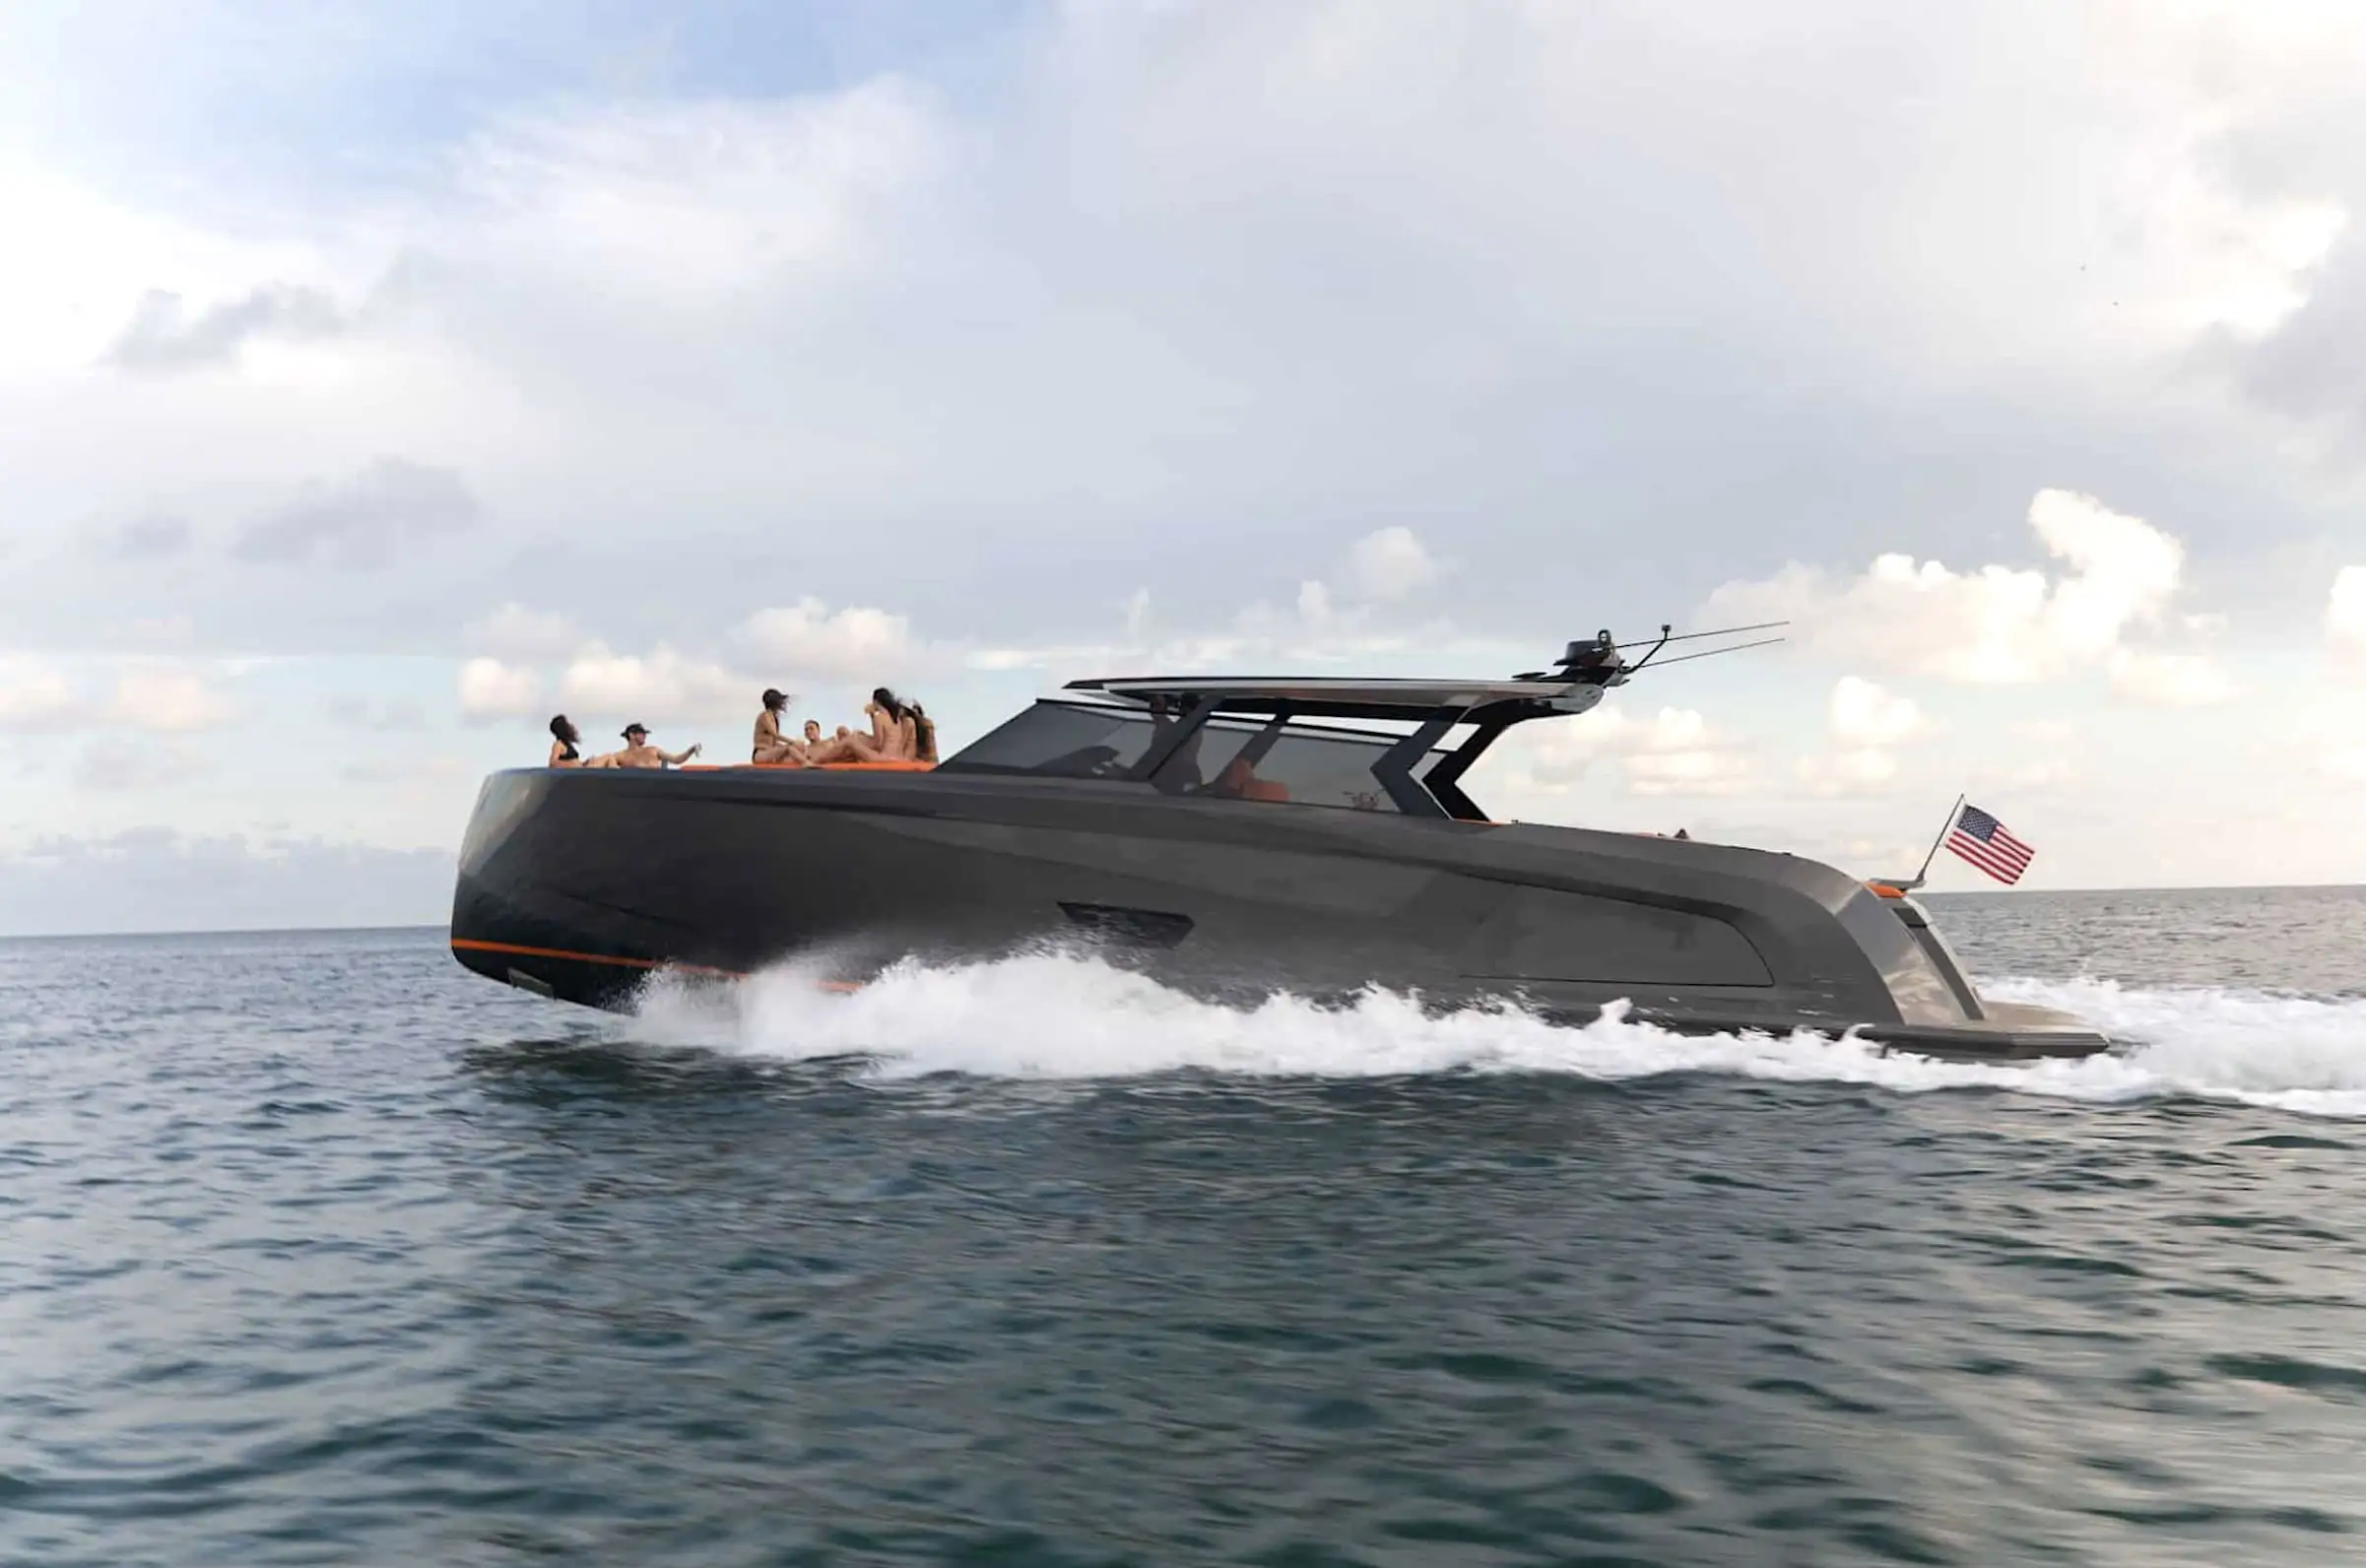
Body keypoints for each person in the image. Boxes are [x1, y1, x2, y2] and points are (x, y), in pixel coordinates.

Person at [752, 688, 811, 765]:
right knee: (789, 749)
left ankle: (807, 760)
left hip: (770, 752)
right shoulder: (765, 715)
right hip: (761, 754)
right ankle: (806, 763)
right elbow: (775, 734)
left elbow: (775, 741)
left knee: (792, 748)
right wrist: (794, 742)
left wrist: (793, 745)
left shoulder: (774, 718)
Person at [607, 722, 700, 768]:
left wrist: (691, 750)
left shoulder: (653, 750)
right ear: (632, 735)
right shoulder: (620, 756)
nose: (644, 736)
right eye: (641, 733)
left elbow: (676, 759)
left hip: (654, 787)